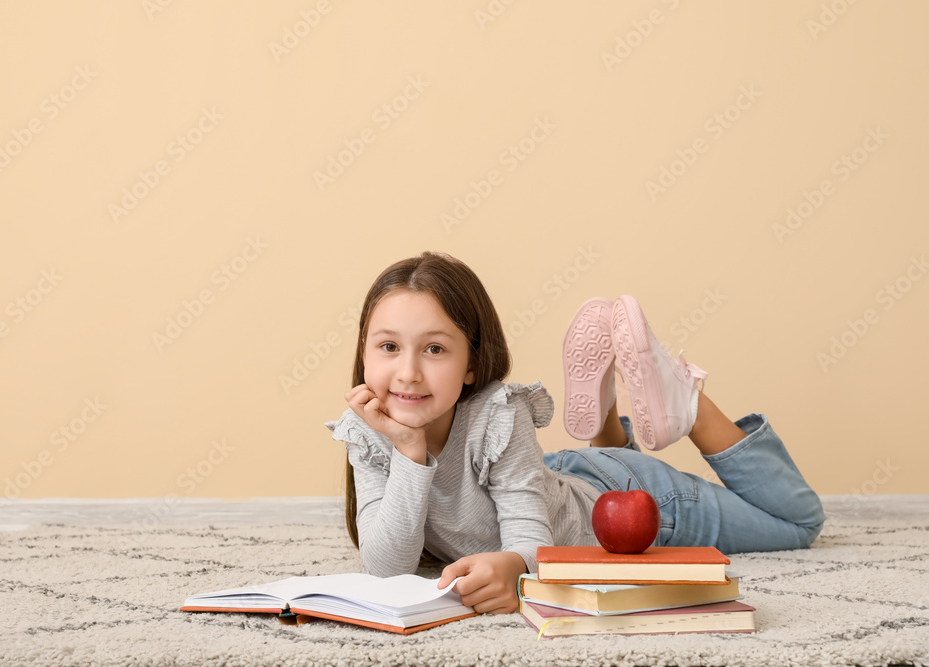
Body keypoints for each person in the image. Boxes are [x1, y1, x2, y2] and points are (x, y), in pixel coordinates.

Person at [326, 251, 825, 615]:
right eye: (388, 347)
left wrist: (514, 566)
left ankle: (687, 406)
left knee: (800, 523)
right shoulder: (368, 429)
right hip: (561, 482)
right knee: (566, 489)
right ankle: (606, 411)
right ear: (365, 352)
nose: (408, 373)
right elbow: (388, 567)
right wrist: (410, 453)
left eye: (434, 349)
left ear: (473, 364)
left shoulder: (500, 414)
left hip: (630, 504)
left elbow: (531, 543)